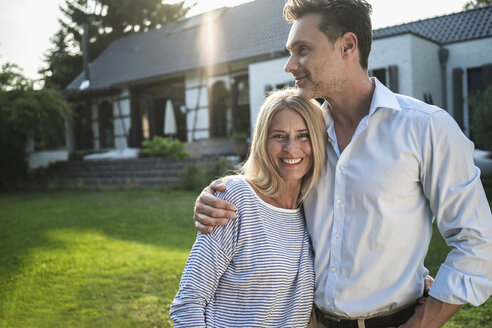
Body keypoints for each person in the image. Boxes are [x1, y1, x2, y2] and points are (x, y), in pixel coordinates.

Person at [193, 1, 492, 327]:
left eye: (302, 50)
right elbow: (264, 192)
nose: (290, 65)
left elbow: (477, 243)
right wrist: (215, 197)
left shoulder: (425, 127)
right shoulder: (306, 140)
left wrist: (421, 323)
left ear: (348, 45)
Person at [170, 88, 328, 327]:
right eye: (279, 136)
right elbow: (188, 302)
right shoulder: (236, 198)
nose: (291, 148)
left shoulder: (314, 210)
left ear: (317, 140)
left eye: (303, 135)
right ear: (263, 141)